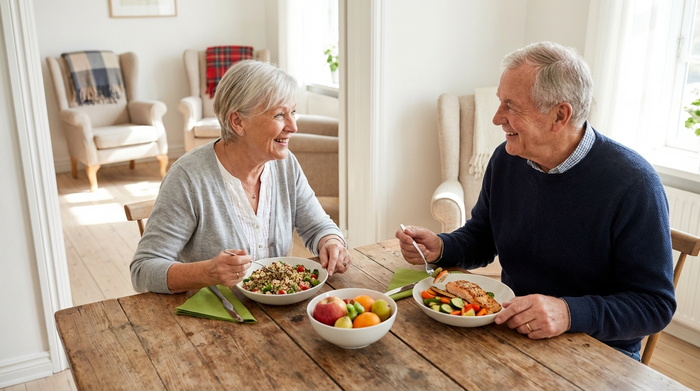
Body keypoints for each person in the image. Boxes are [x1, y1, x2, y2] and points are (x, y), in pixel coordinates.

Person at [396, 41, 675, 361]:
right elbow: (483, 237)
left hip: (597, 352)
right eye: (500, 103)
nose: (496, 118)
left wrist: (569, 313)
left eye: (510, 106)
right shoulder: (505, 159)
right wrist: (442, 247)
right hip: (515, 331)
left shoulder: (634, 184)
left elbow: (654, 305)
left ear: (560, 115)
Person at [131, 59, 350, 294]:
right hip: (214, 321)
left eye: (293, 112)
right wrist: (207, 272)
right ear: (237, 122)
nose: (293, 126)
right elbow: (143, 270)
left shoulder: (285, 166)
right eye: (279, 114)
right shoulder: (188, 178)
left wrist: (331, 242)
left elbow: (318, 226)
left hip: (279, 314)